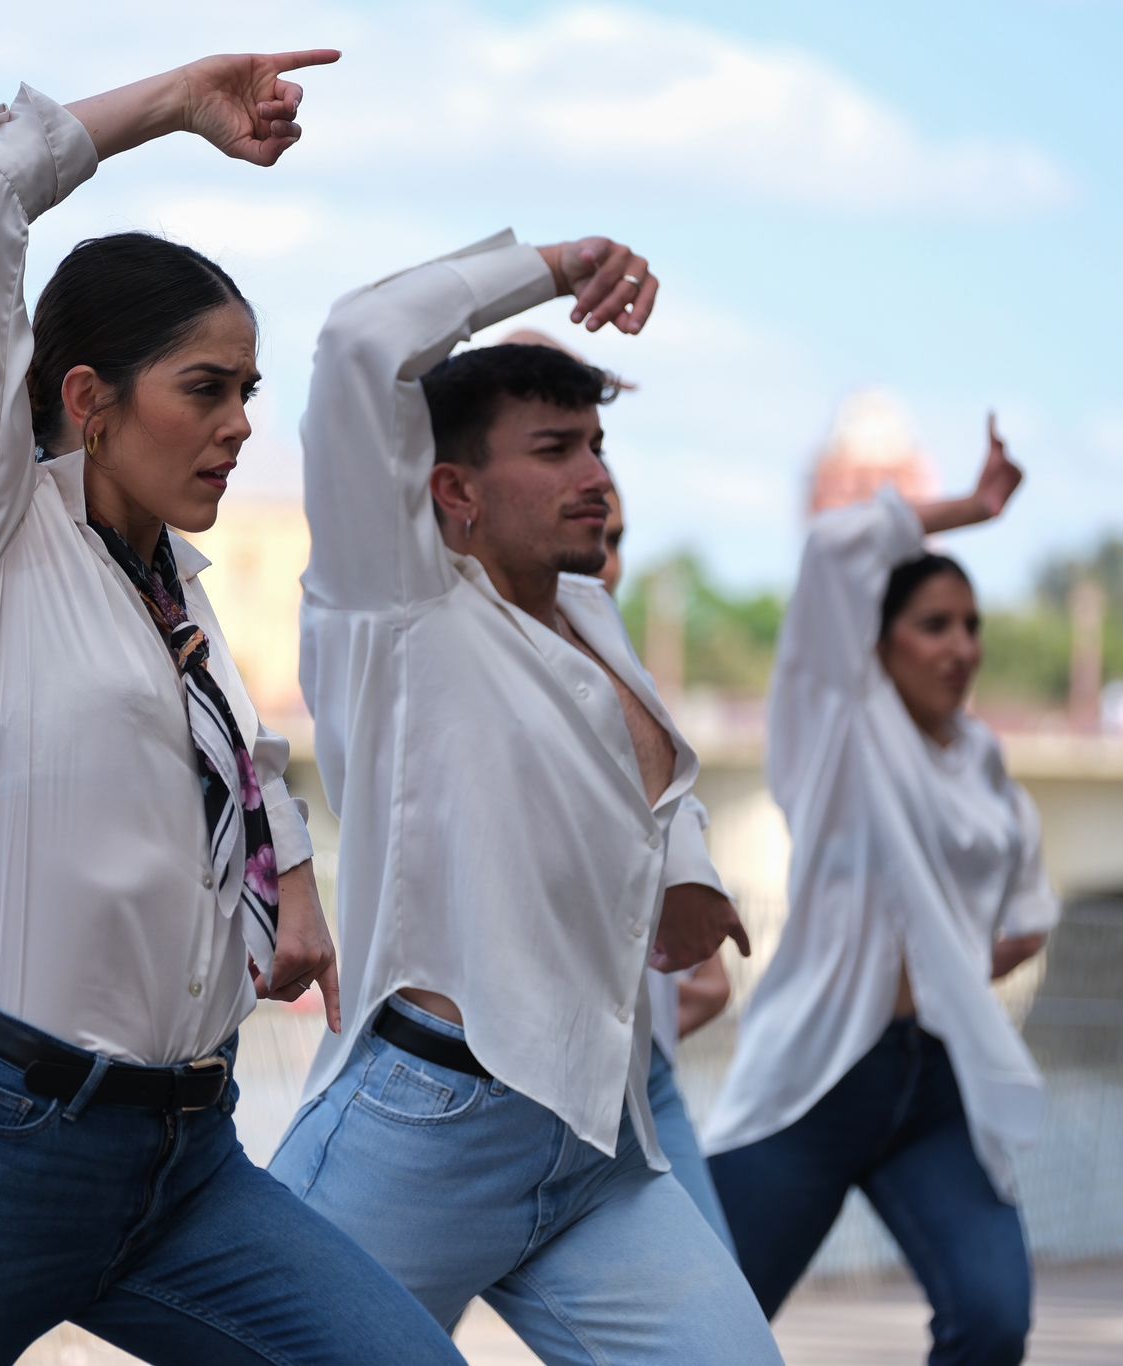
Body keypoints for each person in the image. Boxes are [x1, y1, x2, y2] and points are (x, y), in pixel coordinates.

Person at [0, 55, 461, 1365]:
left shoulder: (176, 592)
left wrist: (301, 882)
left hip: (182, 1165)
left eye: (249, 392)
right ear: (89, 400)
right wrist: (172, 108)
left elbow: (245, 751)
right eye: (206, 387)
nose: (239, 425)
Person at [269, 232, 781, 1363]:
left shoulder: (587, 614)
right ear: (450, 489)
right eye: (554, 449)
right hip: (424, 1126)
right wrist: (558, 266)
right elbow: (359, 341)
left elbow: (643, 783)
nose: (595, 475)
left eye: (596, 445)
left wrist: (688, 880)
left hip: (592, 1144)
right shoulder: (393, 605)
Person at [702, 419, 1059, 1366]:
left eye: (972, 626)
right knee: (702, 1335)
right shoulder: (837, 728)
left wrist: (947, 965)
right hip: (818, 1075)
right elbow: (832, 546)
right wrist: (975, 510)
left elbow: (1029, 919)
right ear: (879, 641)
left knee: (992, 1321)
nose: (960, 647)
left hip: (937, 1082)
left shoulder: (987, 769)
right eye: (934, 625)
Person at [503, 326, 737, 1251]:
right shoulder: (437, 642)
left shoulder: (612, 655)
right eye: (555, 450)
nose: (604, 554)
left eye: (620, 538)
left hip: (636, 1081)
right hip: (477, 1082)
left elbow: (705, 972)